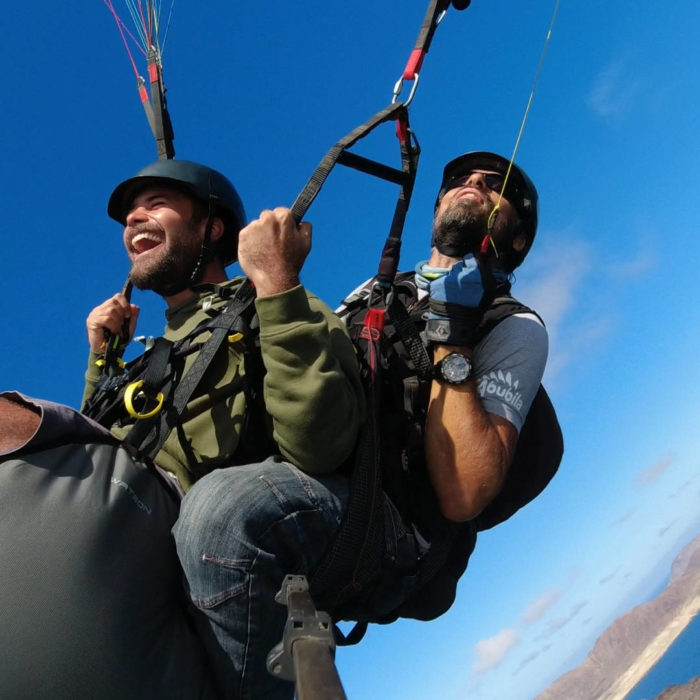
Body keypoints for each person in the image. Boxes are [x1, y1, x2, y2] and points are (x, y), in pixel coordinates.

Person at [81, 159, 364, 698]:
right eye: (128, 215)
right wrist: (101, 364)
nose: (134, 217)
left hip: (292, 520)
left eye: (156, 203)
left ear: (212, 229)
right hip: (170, 573)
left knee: (217, 507)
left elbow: (320, 447)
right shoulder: (143, 364)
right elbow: (98, 478)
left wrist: (276, 282)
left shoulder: (276, 307)